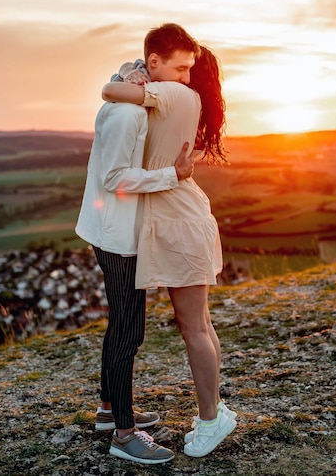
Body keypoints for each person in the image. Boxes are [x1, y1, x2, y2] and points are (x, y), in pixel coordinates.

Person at [102, 45, 237, 458]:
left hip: (178, 222)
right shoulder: (187, 99)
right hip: (182, 216)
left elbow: (111, 91)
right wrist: (137, 70)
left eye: (185, 68)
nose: (178, 73)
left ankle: (211, 420)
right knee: (201, 324)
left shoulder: (177, 95)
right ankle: (215, 413)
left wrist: (126, 79)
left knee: (193, 327)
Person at [75, 23, 200, 465]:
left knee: (124, 328)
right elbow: (114, 179)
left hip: (120, 230)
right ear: (154, 63)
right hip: (118, 235)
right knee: (128, 331)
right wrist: (174, 176)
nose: (185, 79)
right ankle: (124, 436)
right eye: (181, 69)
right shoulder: (128, 112)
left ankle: (110, 413)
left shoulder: (137, 90)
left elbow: (128, 76)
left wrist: (131, 73)